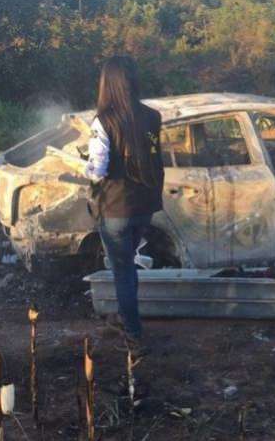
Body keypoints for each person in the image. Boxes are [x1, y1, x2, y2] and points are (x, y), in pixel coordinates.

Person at [84, 56, 164, 353]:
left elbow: (98, 169)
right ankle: (127, 317)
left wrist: (85, 170)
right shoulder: (152, 116)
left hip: (116, 207)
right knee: (128, 267)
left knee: (123, 271)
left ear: (107, 83)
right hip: (145, 205)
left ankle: (133, 334)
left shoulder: (104, 121)